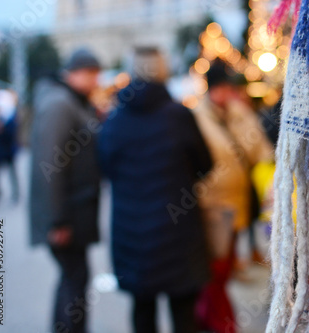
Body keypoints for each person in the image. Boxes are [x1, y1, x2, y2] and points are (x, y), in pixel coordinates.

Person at [98, 47, 213, 333]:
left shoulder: (114, 120)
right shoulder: (179, 115)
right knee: (184, 313)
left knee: (142, 310)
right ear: (163, 70)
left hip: (132, 233)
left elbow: (105, 169)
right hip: (179, 232)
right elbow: (205, 164)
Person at [192, 60, 273, 333]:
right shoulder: (196, 117)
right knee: (217, 270)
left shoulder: (239, 112)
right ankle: (220, 322)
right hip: (212, 205)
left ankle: (205, 316)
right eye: (222, 88)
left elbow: (260, 150)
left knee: (224, 268)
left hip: (240, 201)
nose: (227, 94)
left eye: (229, 87)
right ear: (211, 89)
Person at [29, 48, 102, 333]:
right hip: (67, 215)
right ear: (75, 72)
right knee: (75, 278)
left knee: (74, 278)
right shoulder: (60, 104)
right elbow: (50, 165)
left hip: (75, 210)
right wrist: (56, 220)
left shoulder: (73, 102)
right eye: (92, 74)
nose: (96, 81)